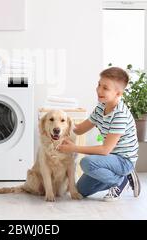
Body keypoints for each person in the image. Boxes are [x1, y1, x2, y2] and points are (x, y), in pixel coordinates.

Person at [57, 67, 141, 201]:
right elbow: (78, 129)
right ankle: (118, 178)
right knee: (80, 190)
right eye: (99, 85)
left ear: (118, 94)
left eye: (105, 88)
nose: (99, 90)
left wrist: (74, 148)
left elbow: (105, 150)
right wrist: (60, 124)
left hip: (123, 160)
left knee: (87, 163)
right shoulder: (101, 107)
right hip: (109, 160)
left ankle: (120, 182)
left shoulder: (120, 115)